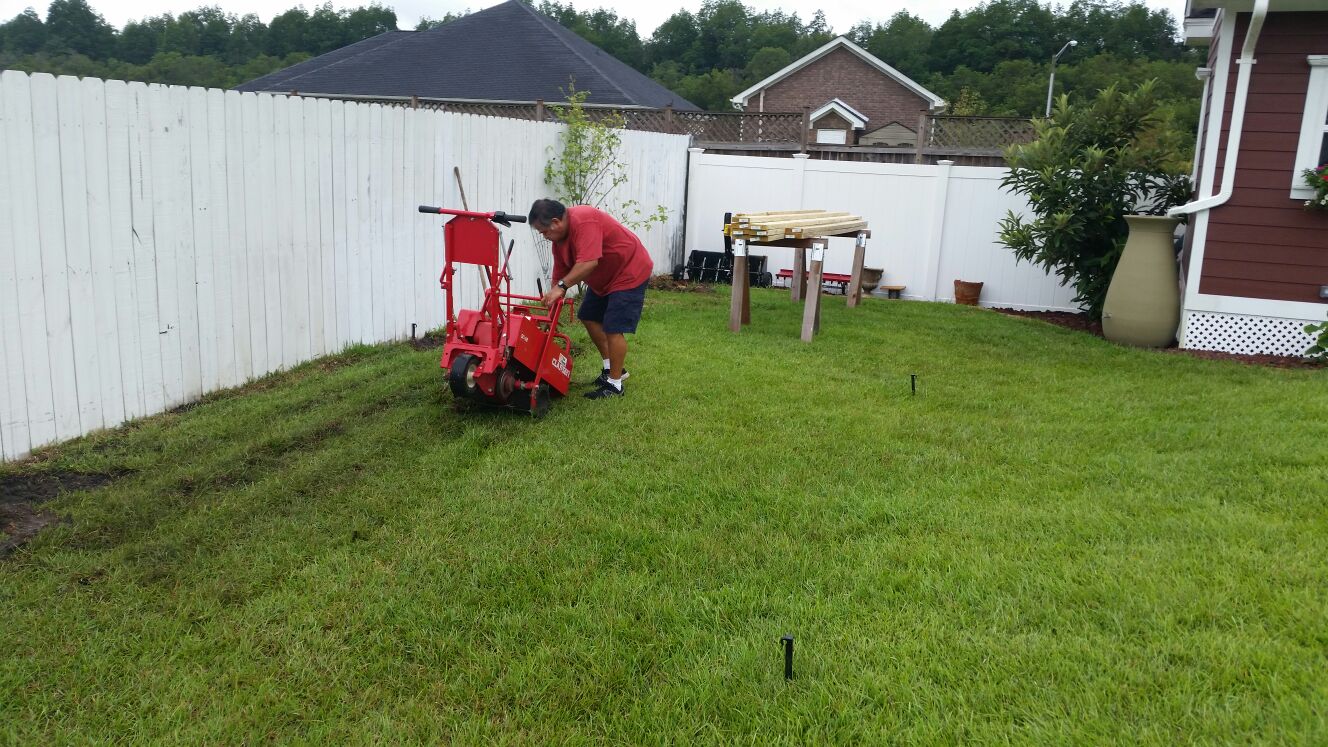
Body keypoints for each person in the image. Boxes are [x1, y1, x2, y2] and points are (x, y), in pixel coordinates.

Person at [530, 199, 652, 399]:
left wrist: (561, 287)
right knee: (588, 315)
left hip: (628, 271)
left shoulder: (584, 220)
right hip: (604, 278)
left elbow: (588, 263)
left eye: (544, 232)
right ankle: (612, 369)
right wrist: (553, 298)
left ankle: (615, 386)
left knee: (613, 327)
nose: (545, 237)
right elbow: (560, 270)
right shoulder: (559, 240)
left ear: (556, 222)